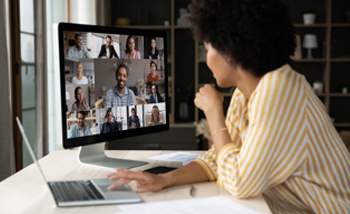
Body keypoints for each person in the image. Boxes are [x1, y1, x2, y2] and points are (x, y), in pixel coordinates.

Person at [107, 0, 350, 213]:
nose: (206, 56)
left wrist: (214, 112)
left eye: (209, 47)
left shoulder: (279, 88)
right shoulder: (245, 94)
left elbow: (240, 182)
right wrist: (163, 180)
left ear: (232, 50)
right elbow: (219, 160)